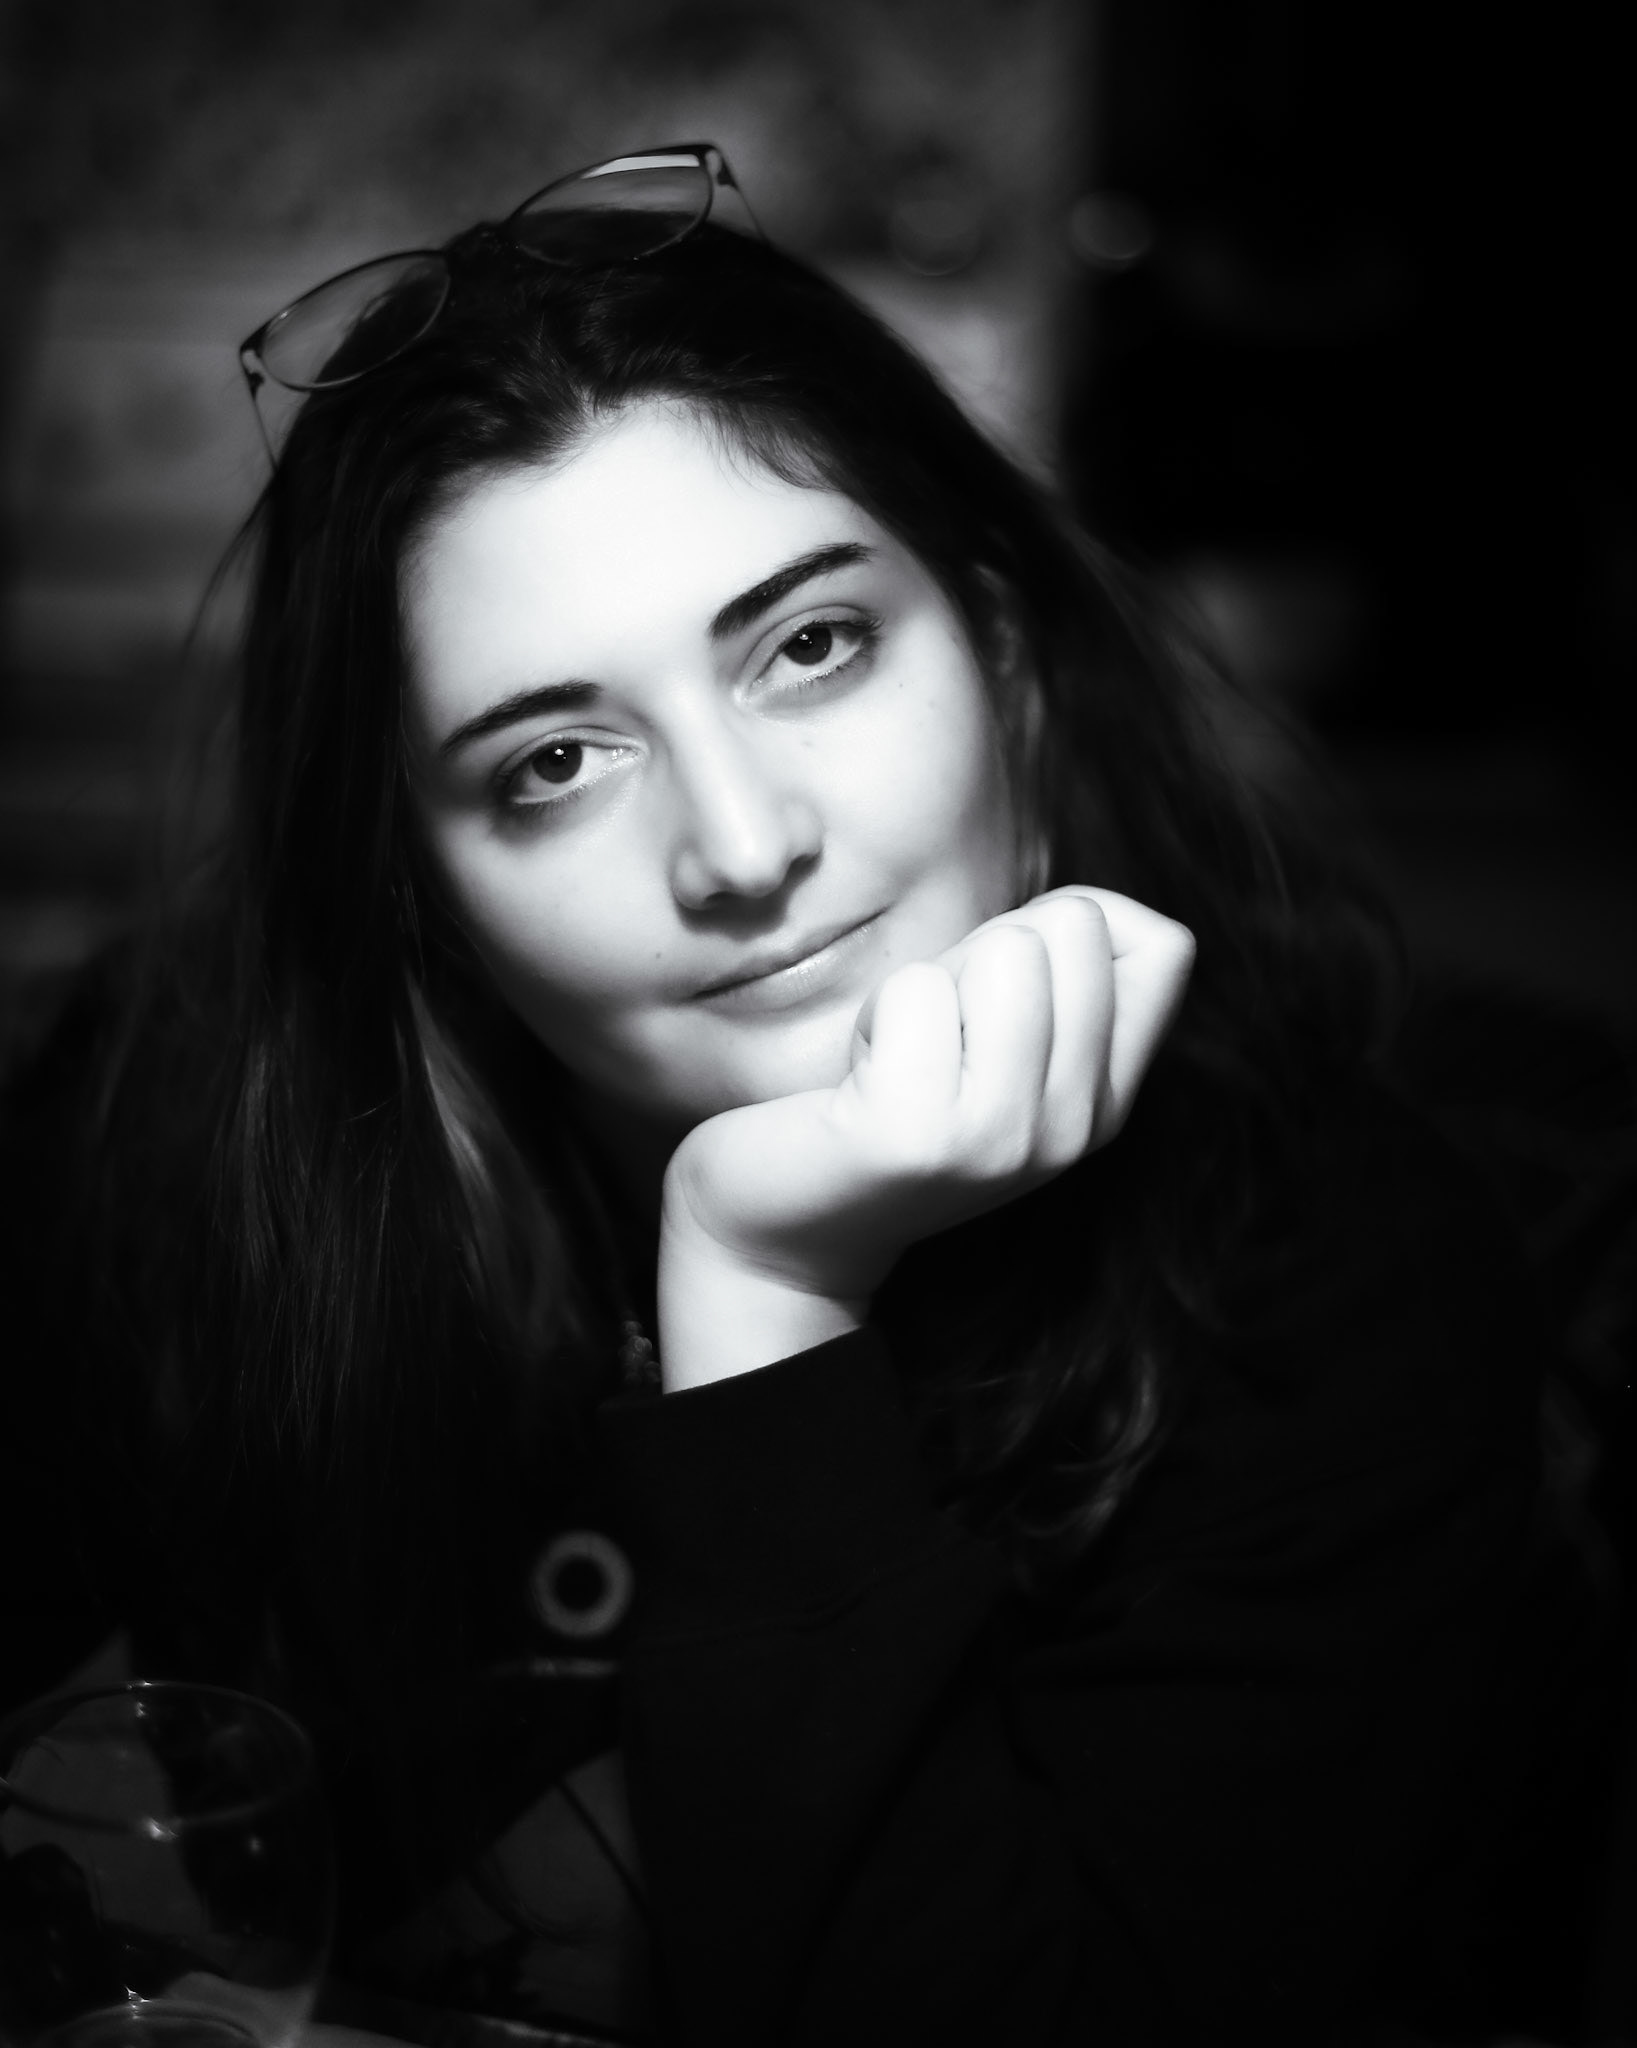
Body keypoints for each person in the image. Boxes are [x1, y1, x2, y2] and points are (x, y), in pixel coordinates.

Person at [0, 147, 1584, 2046]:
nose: (743, 849)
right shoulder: (177, 1140)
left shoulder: (1332, 1277)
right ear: (417, 888)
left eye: (810, 647)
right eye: (555, 762)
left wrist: (763, 1305)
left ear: (1003, 661)